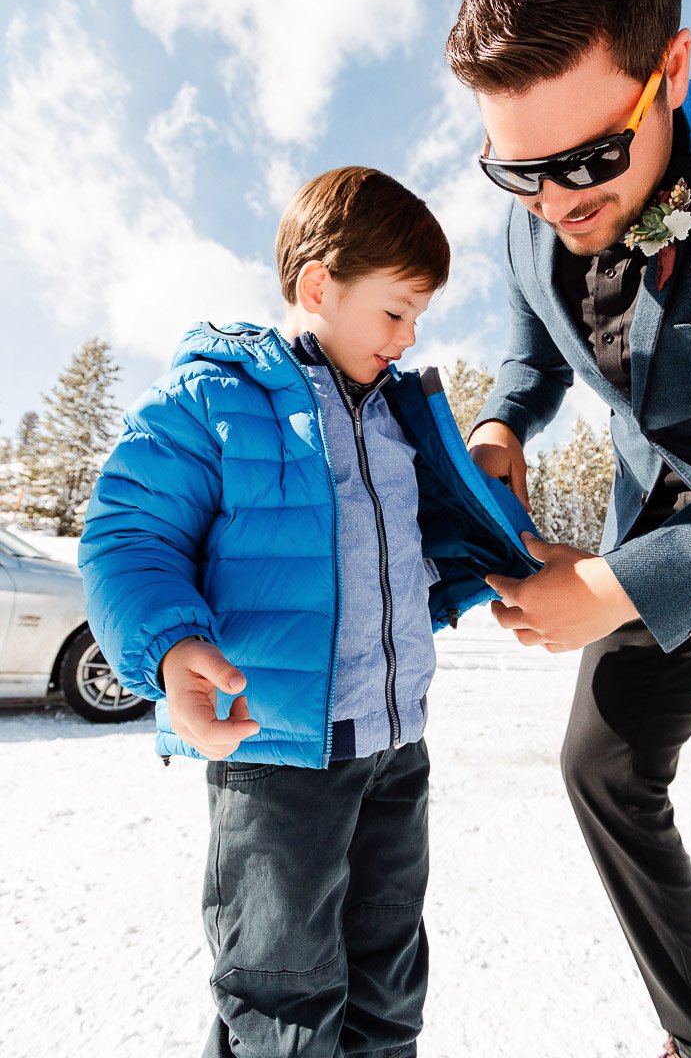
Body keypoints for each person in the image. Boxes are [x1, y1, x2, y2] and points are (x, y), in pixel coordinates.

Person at [445, 0, 691, 1058]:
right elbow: (528, 354)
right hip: (659, 512)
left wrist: (602, 588)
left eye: (587, 163)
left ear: (674, 68)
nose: (553, 202)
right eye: (516, 171)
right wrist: (499, 429)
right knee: (601, 771)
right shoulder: (526, 215)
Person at [78, 165, 536, 1058]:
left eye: (419, 319)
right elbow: (127, 535)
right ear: (319, 285)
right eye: (395, 311)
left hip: (395, 751)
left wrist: (498, 564)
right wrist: (170, 648)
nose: (407, 338)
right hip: (277, 754)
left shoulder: (400, 424)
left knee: (389, 978)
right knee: (282, 999)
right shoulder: (214, 403)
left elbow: (416, 565)